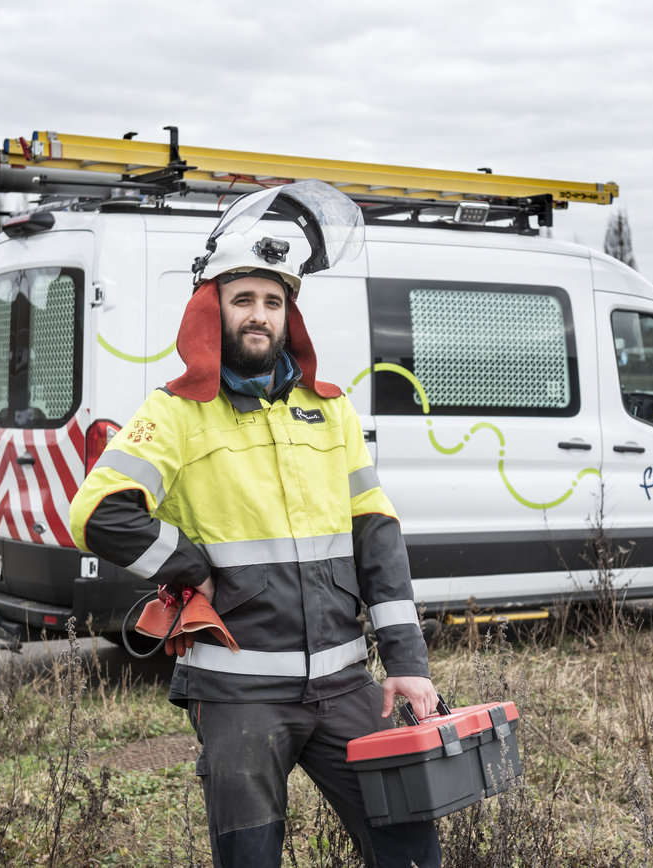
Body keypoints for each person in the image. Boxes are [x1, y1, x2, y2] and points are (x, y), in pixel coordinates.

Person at [69, 192, 442, 868]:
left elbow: (377, 539)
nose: (259, 316)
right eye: (244, 300)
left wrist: (408, 666)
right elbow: (97, 513)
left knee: (410, 844)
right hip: (238, 693)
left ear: (288, 315)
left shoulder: (331, 415)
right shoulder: (176, 415)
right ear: (213, 309)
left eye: (273, 303)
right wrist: (182, 563)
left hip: (346, 684)